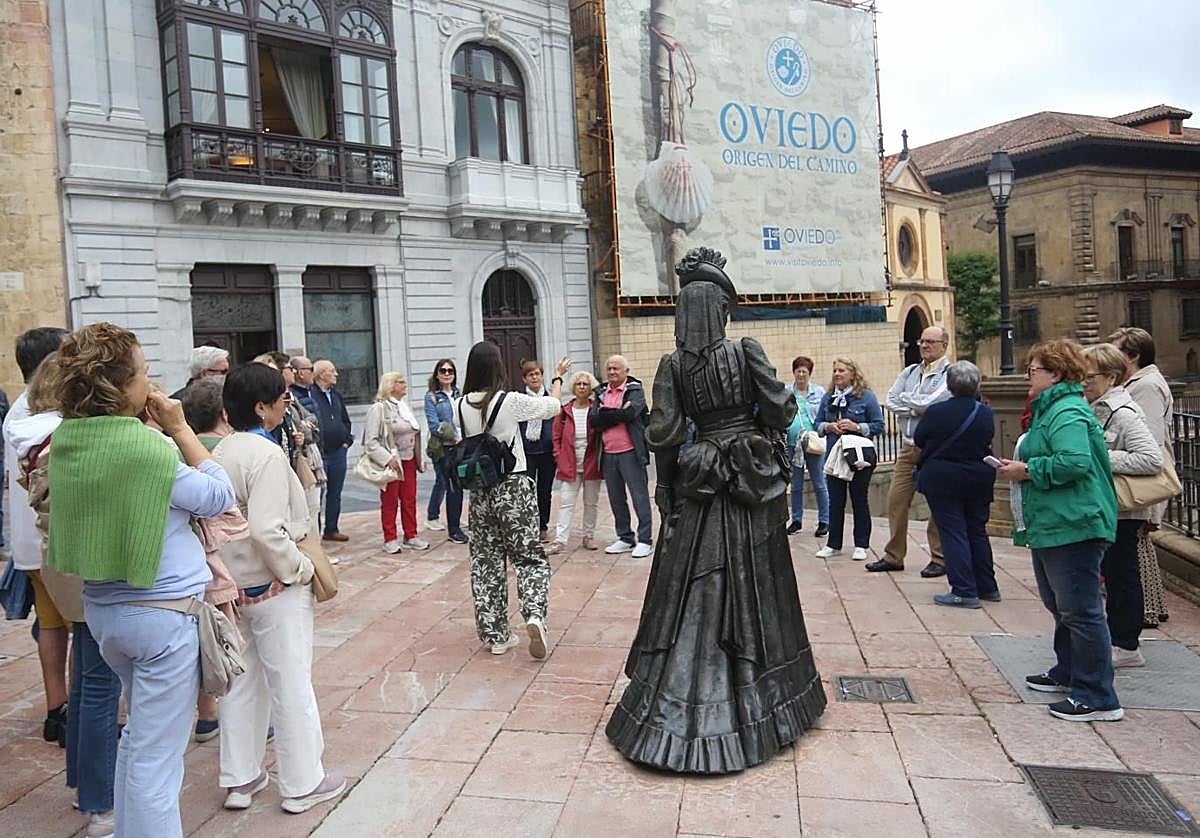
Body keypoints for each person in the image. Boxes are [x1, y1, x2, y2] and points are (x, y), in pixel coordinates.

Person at [606, 247, 825, 774]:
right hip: (746, 484)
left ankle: (667, 711)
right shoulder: (747, 350)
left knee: (689, 586)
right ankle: (766, 703)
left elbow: (661, 433)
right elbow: (779, 408)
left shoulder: (671, 365)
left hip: (701, 482)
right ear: (719, 310)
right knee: (757, 583)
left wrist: (667, 488)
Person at [47, 323, 235, 836]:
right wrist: (178, 429)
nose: (152, 383)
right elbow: (220, 494)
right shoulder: (146, 448)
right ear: (119, 384)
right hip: (162, 615)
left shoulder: (68, 438)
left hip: (106, 612)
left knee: (137, 743)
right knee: (159, 762)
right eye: (145, 373)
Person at [213, 363, 345, 814]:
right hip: (272, 585)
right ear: (261, 407)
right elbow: (268, 530)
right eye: (280, 397)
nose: (287, 403)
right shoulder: (265, 455)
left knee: (242, 683)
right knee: (290, 682)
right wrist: (300, 569)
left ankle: (240, 777)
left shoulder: (220, 452)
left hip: (233, 587)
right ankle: (302, 781)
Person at [15, 353, 121, 838]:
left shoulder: (33, 433)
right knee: (100, 681)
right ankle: (100, 802)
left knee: (85, 676)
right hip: (84, 561)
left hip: (54, 557)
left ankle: (84, 779)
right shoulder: (67, 439)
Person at [997, 339, 1123, 722]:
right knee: (1062, 605)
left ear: (1055, 374)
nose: (1027, 376)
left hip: (1075, 524)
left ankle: (1098, 695)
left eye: (1033, 370)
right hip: (1056, 523)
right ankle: (1068, 671)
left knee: (1081, 610)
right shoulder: (1051, 410)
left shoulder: (1066, 410)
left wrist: (1029, 471)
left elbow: (1074, 462)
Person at [455, 343, 568, 657]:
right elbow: (552, 408)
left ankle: (496, 636)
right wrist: (556, 381)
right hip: (514, 486)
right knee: (529, 557)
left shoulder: (459, 403)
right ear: (498, 368)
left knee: (486, 562)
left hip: (480, 490)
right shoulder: (510, 400)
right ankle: (534, 614)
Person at [2, 326, 69, 748]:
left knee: (50, 625)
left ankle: (55, 708)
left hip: (31, 542)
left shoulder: (17, 412)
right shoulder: (51, 412)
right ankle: (77, 709)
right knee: (80, 627)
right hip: (56, 539)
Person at [1082, 343, 1163, 668]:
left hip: (1125, 509)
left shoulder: (1124, 412)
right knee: (1114, 574)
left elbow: (1150, 458)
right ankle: (1119, 640)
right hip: (1111, 506)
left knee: (1122, 575)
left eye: (1089, 376)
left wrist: (1099, 457)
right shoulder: (1101, 406)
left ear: (1111, 376)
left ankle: (1127, 645)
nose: (1083, 382)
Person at [913, 361, 998, 607]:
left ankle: (963, 589)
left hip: (943, 477)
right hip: (977, 478)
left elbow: (920, 438)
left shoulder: (936, 412)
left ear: (949, 385)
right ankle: (987, 586)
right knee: (977, 531)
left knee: (953, 531)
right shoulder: (984, 412)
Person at [1108, 327, 1174, 627]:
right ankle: (1145, 611)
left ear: (1132, 356)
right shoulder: (1138, 382)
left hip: (1138, 485)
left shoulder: (1146, 386)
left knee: (1133, 552)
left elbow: (1150, 447)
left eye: (1115, 351)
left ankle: (1141, 615)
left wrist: (1101, 456)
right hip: (1130, 481)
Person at [881, 326, 951, 577]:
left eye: (931, 341)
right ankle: (894, 555)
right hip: (907, 446)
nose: (924, 345)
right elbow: (891, 399)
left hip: (935, 448)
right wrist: (916, 406)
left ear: (944, 345)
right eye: (922, 341)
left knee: (936, 503)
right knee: (896, 500)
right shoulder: (910, 371)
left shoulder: (949, 374)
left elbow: (934, 404)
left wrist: (909, 402)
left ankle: (939, 557)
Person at [815, 358, 884, 562]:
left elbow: (879, 425)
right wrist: (828, 427)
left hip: (859, 457)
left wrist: (857, 427)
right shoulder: (828, 398)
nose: (837, 374)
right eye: (835, 370)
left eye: (842, 370)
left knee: (859, 499)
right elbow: (817, 423)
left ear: (853, 374)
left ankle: (861, 544)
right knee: (835, 501)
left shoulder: (866, 397)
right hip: (835, 457)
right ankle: (833, 544)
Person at [591, 355, 653, 559]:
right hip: (608, 453)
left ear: (626, 371)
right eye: (609, 369)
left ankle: (645, 540)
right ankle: (625, 537)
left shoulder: (634, 390)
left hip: (631, 452)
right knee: (616, 498)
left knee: (640, 497)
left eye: (616, 369)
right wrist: (614, 414)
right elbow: (594, 421)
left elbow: (630, 415)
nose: (611, 372)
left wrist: (606, 414)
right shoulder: (600, 391)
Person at [364, 372, 429, 553]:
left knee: (409, 499)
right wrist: (387, 458)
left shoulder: (404, 406)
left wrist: (420, 458)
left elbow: (416, 433)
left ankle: (411, 535)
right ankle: (390, 538)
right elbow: (371, 441)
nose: (405, 384)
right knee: (390, 500)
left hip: (409, 460)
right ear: (390, 386)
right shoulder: (379, 408)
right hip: (392, 462)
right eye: (400, 382)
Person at [547, 370, 603, 555]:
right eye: (578, 384)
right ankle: (560, 540)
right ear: (573, 387)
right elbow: (555, 437)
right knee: (566, 502)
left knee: (591, 502)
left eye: (585, 384)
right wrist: (558, 457)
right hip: (569, 463)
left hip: (591, 462)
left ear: (590, 388)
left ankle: (588, 535)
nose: (581, 387)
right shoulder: (565, 410)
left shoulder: (596, 409)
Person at [424, 358, 468, 544]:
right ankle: (454, 529)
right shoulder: (432, 397)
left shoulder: (460, 394)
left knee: (460, 486)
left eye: (450, 371)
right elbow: (434, 426)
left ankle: (456, 522)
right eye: (443, 371)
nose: (447, 374)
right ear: (437, 374)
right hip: (445, 448)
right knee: (450, 486)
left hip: (463, 446)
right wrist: (453, 437)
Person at [784, 355, 829, 537]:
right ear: (794, 373)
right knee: (795, 484)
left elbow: (824, 413)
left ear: (809, 373)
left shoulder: (818, 392)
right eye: (798, 371)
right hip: (793, 443)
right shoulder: (787, 392)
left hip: (813, 441)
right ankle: (796, 520)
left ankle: (824, 521)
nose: (801, 374)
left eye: (804, 371)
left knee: (819, 482)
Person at [310, 359, 352, 542]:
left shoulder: (335, 395)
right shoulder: (311, 395)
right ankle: (315, 532)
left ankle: (332, 528)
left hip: (338, 451)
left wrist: (346, 441)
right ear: (321, 374)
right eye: (332, 371)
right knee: (317, 494)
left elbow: (345, 419)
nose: (336, 374)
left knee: (335, 492)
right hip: (321, 452)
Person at [518, 360, 557, 542]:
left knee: (544, 491)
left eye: (537, 374)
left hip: (547, 452)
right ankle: (528, 525)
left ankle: (543, 526)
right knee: (526, 491)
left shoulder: (550, 398)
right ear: (525, 379)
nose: (534, 377)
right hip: (526, 452)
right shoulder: (519, 400)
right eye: (530, 375)